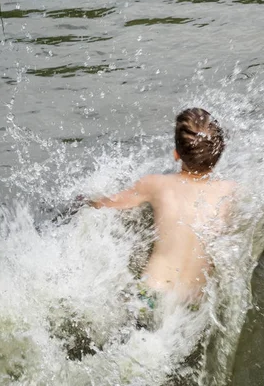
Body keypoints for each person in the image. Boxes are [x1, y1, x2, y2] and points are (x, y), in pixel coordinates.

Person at [87, 108, 236, 309]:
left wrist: (84, 201)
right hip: (191, 306)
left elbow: (108, 204)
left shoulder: (156, 184)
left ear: (176, 154)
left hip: (151, 294)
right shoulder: (231, 192)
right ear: (221, 150)